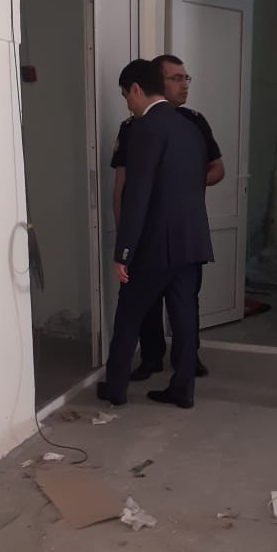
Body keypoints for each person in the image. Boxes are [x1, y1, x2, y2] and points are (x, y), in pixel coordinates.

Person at [97, 59, 213, 409]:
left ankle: (115, 388)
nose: (128, 104)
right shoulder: (190, 127)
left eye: (126, 96)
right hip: (191, 240)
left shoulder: (146, 128)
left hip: (155, 245)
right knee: (184, 317)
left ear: (136, 88)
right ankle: (183, 388)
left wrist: (123, 252)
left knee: (128, 316)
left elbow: (137, 194)